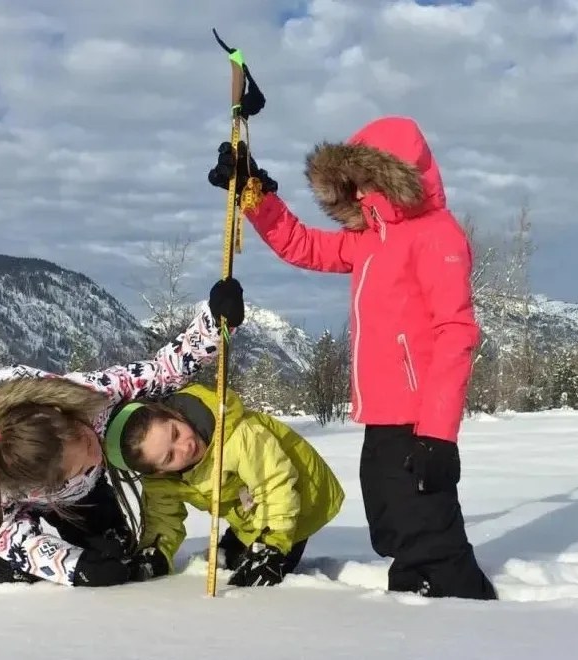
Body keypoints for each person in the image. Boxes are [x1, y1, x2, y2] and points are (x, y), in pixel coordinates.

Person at [207, 116, 497, 600]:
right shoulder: (370, 241)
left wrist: (438, 437)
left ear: (392, 178)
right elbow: (301, 245)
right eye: (352, 185)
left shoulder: (436, 235)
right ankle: (416, 599)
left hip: (417, 419)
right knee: (392, 524)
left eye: (364, 183)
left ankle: (459, 609)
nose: (358, 195)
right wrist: (253, 194)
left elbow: (456, 332)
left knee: (428, 533)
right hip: (381, 413)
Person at [0, 278, 245, 588]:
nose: (98, 454)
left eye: (87, 440)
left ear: (63, 415)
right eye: (84, 466)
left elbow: (162, 371)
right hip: (13, 513)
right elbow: (5, 535)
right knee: (11, 568)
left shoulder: (88, 396)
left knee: (115, 557)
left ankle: (92, 519)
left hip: (82, 497)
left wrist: (214, 323)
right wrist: (72, 566)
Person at [104, 382, 344, 588]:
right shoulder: (161, 479)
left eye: (176, 434)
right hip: (249, 506)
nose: (184, 447)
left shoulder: (238, 436)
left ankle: (271, 544)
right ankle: (247, 539)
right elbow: (162, 518)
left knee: (258, 577)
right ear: (158, 471)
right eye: (169, 457)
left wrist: (271, 545)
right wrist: (156, 552)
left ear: (174, 415)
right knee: (232, 558)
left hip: (300, 499)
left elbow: (274, 484)